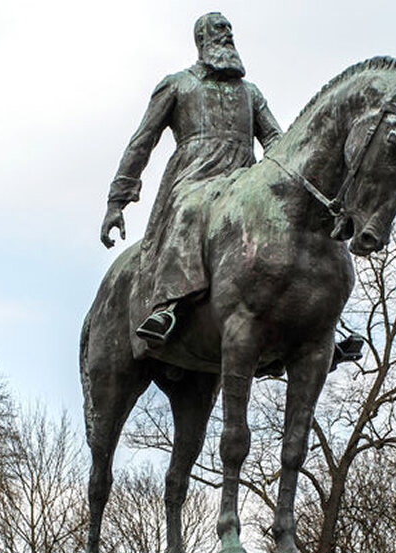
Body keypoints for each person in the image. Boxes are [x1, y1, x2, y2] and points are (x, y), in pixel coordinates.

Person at [100, 12, 281, 345]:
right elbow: (142, 141)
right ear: (202, 40)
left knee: (288, 223)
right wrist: (117, 200)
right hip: (195, 178)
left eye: (230, 29)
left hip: (243, 182)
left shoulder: (250, 93)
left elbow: (275, 140)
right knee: (190, 210)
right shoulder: (178, 85)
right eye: (219, 30)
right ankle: (165, 305)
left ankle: (313, 322)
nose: (227, 35)